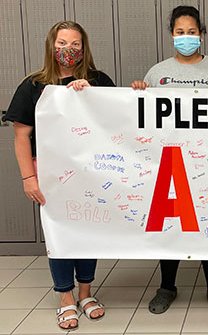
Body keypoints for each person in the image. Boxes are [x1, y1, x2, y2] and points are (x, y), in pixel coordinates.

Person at [3, 21, 114, 331]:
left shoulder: (98, 80)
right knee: (59, 233)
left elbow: (117, 121)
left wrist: (92, 96)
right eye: (63, 43)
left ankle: (86, 293)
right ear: (51, 45)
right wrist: (28, 178)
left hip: (91, 172)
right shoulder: (34, 85)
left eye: (75, 44)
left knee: (88, 230)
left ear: (84, 47)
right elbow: (21, 136)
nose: (69, 50)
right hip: (51, 174)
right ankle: (65, 298)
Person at [131, 5, 208, 315]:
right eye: (180, 32)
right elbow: (145, 119)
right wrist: (141, 91)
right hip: (169, 162)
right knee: (170, 224)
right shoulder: (157, 73)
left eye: (191, 32)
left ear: (201, 36)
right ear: (172, 36)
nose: (186, 37)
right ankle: (167, 286)